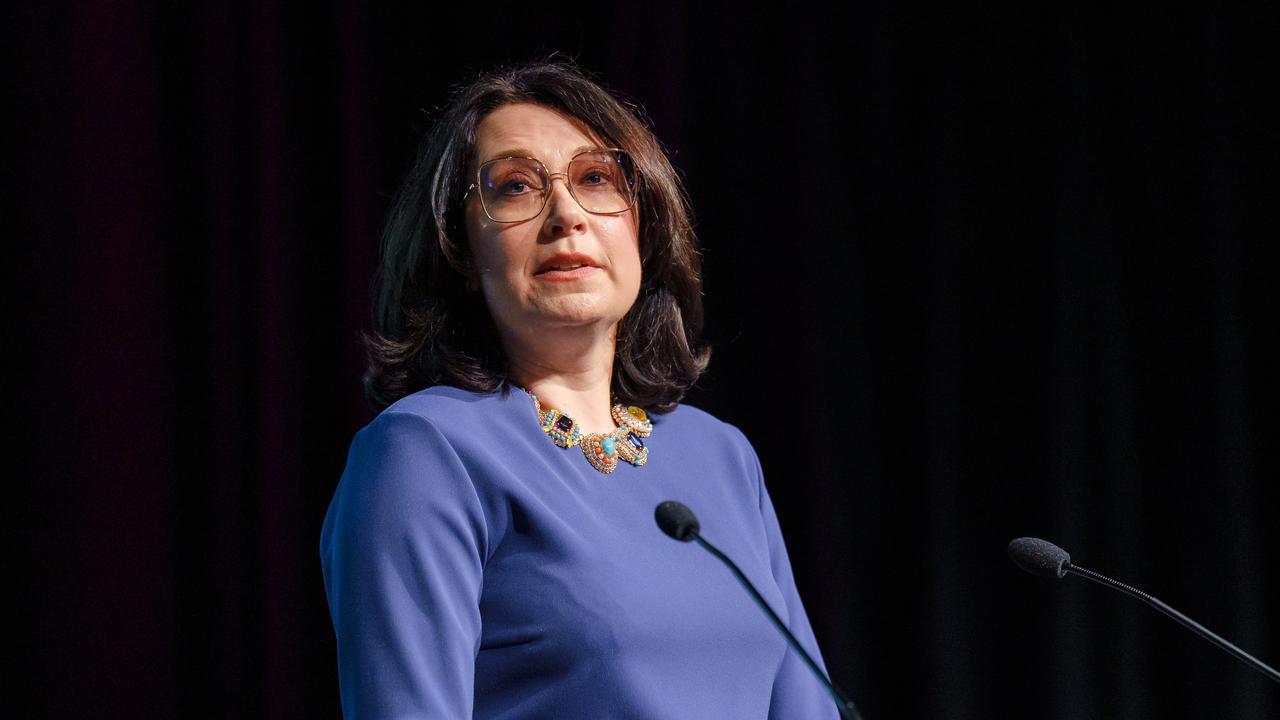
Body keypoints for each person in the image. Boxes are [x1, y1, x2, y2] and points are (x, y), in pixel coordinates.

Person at [320, 59, 840, 719]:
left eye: (596, 178)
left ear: (642, 228)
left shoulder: (723, 457)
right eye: (514, 187)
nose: (566, 212)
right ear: (460, 249)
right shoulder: (424, 453)